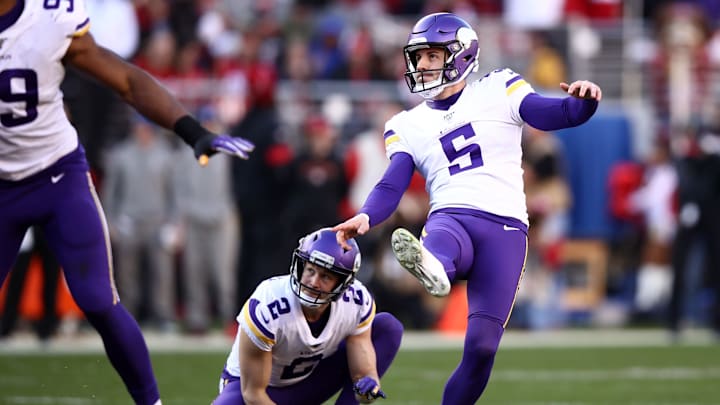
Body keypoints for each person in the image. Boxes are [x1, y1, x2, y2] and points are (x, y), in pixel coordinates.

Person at [332, 12, 602, 404]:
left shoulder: (500, 86)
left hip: (506, 230)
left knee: (482, 349)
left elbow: (557, 113)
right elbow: (392, 182)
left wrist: (584, 101)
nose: (421, 65)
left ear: (459, 56)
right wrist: (367, 216)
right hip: (451, 216)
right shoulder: (406, 124)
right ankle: (433, 266)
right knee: (442, 245)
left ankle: (434, 267)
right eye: (418, 57)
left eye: (431, 56)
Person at [0, 1, 254, 404]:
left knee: (99, 300)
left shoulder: (49, 15)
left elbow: (125, 80)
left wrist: (190, 130)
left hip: (56, 177)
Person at [212, 228, 403, 405]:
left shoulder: (356, 302)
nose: (313, 282)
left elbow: (363, 377)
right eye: (310, 270)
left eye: (326, 277)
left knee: (387, 327)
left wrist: (367, 389)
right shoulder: (269, 303)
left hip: (308, 382)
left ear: (342, 284)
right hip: (257, 390)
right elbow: (252, 394)